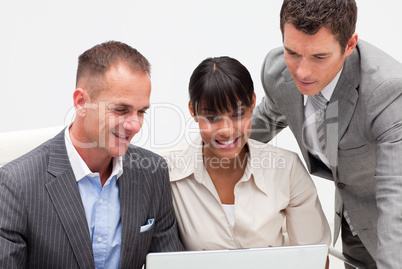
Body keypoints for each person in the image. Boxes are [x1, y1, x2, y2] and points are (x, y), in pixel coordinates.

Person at [0, 41, 183, 269]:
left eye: (141, 112)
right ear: (81, 103)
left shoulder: (153, 172)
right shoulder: (16, 184)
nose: (135, 125)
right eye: (120, 109)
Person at [250, 0, 402, 268]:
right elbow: (256, 128)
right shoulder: (278, 73)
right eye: (292, 52)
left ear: (350, 45)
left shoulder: (386, 91)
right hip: (353, 221)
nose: (302, 72)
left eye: (319, 57)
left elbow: (396, 194)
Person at [159, 56, 331, 253]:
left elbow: (313, 256)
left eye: (237, 115)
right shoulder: (166, 171)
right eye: (211, 117)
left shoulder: (287, 168)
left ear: (252, 105)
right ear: (192, 110)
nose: (225, 130)